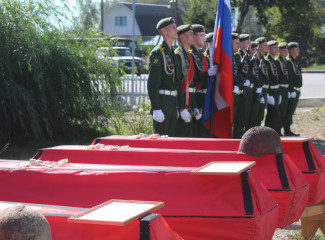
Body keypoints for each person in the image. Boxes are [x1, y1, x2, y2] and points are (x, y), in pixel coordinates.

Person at [147, 17, 180, 136]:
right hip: (163, 102)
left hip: (172, 102)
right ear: (164, 31)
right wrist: (156, 108)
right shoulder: (158, 53)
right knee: (160, 140)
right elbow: (152, 83)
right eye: (173, 28)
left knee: (171, 141)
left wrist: (176, 106)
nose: (177, 30)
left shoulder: (172, 53)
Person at [191, 24, 217, 137]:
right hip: (194, 96)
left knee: (201, 131)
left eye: (204, 35)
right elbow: (192, 78)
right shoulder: (189, 54)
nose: (204, 38)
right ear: (194, 36)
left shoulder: (202, 56)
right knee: (192, 131)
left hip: (203, 97)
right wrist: (208, 74)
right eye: (201, 35)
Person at [174, 24, 196, 137]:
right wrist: (181, 108)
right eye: (191, 34)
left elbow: (194, 82)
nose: (194, 36)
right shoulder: (177, 55)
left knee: (189, 136)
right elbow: (177, 84)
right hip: (181, 103)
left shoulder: (189, 55)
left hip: (190, 102)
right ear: (182, 37)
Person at [233, 34, 252, 138]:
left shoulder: (246, 56)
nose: (250, 44)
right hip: (237, 91)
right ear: (241, 43)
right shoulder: (237, 56)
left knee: (243, 119)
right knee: (237, 120)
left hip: (244, 91)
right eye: (248, 42)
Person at [284, 42, 302, 136]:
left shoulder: (294, 61)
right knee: (288, 111)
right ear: (291, 50)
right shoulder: (289, 61)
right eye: (296, 49)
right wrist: (291, 90)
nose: (298, 50)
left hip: (296, 89)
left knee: (291, 111)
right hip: (292, 90)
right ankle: (287, 130)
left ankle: (288, 129)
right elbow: (289, 77)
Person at [265, 40, 282, 135]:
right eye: (275, 48)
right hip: (271, 91)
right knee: (273, 115)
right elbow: (266, 79)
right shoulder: (267, 61)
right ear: (269, 48)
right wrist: (267, 94)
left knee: (276, 115)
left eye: (277, 47)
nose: (277, 50)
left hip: (276, 91)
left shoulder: (274, 61)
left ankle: (275, 133)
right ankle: (269, 134)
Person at [246, 41, 262, 130]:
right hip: (247, 91)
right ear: (251, 50)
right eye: (256, 50)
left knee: (255, 117)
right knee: (245, 119)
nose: (257, 52)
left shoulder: (256, 61)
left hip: (253, 91)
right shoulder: (249, 60)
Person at [276, 42, 290, 135]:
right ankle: (278, 131)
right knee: (279, 112)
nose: (285, 52)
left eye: (286, 50)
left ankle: (283, 130)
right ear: (279, 51)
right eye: (283, 50)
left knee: (285, 112)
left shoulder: (285, 61)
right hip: (280, 89)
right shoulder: (277, 61)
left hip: (285, 89)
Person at [232, 33, 241, 128]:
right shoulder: (227, 57)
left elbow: (241, 74)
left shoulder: (236, 58)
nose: (239, 45)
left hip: (236, 92)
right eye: (236, 43)